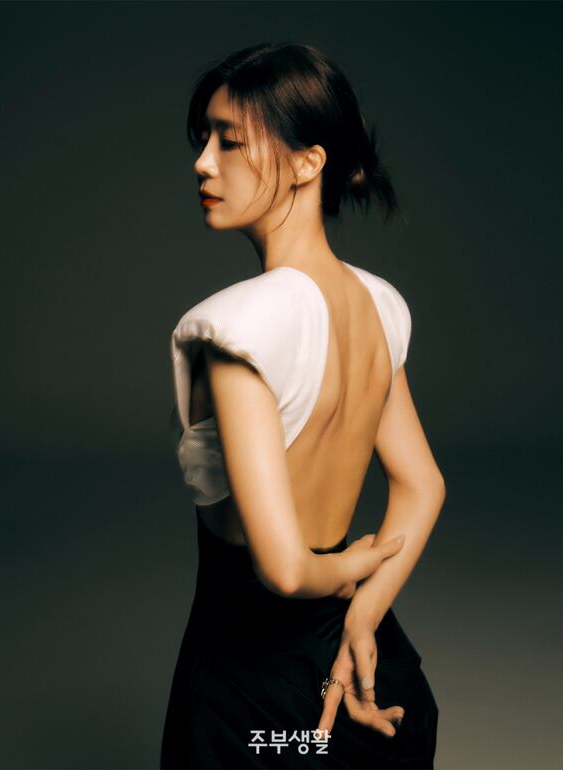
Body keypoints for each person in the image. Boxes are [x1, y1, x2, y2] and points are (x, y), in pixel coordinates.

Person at [160, 41, 445, 770]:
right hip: (356, 665)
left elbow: (285, 570)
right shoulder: (378, 303)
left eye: (229, 142)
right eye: (204, 140)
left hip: (252, 686)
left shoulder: (239, 326)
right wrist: (365, 609)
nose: (203, 163)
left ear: (308, 162)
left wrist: (353, 565)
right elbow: (422, 485)